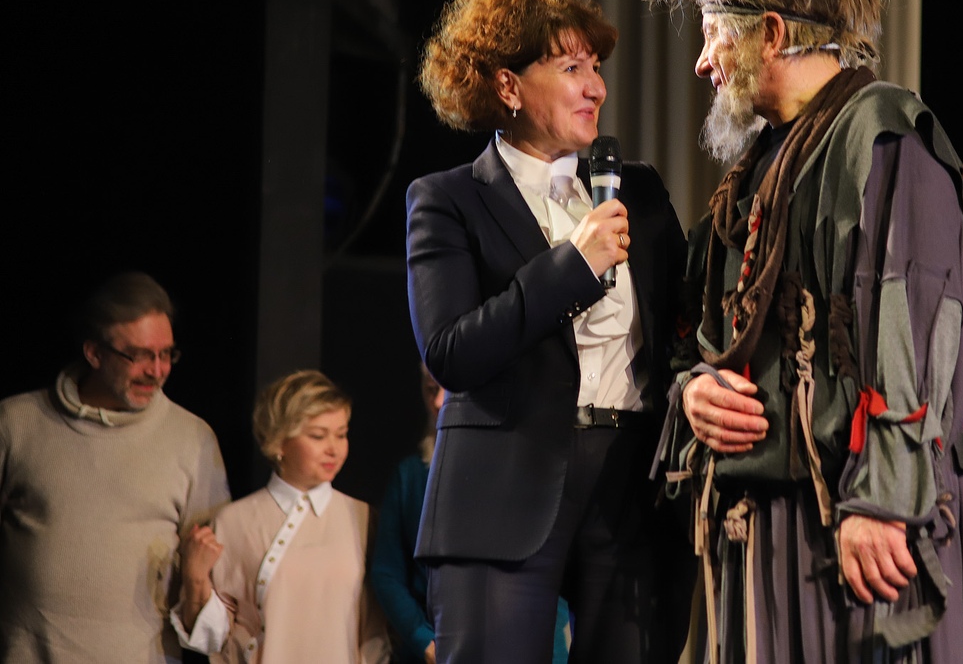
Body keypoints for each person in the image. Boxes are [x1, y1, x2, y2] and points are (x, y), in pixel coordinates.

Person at [644, 0, 963, 662]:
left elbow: (915, 333)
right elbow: (700, 338)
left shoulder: (884, 139)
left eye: (714, 35)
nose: (703, 63)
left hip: (860, 524)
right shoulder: (757, 173)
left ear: (771, 33)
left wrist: (881, 502)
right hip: (775, 523)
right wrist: (694, 393)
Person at [406, 0, 688, 664]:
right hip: (501, 493)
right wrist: (573, 267)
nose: (596, 87)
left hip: (633, 494)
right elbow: (451, 352)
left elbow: (687, 332)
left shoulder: (640, 190)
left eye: (596, 67)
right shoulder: (447, 200)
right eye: (571, 68)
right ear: (508, 86)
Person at [0, 271, 230, 663]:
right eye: (139, 355)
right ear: (94, 353)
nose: (156, 370)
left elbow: (215, 583)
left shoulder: (193, 439)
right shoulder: (17, 422)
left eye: (166, 354)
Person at [171, 370, 391, 663]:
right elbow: (211, 638)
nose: (333, 449)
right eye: (318, 436)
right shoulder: (234, 521)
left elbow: (376, 633)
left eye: (341, 434)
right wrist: (195, 578)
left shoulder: (362, 518)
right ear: (279, 442)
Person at [369, 367, 577, 664]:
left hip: (526, 643)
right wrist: (422, 638)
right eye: (431, 389)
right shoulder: (411, 476)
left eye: (449, 390)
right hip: (439, 649)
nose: (438, 402)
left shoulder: (531, 472)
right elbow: (387, 572)